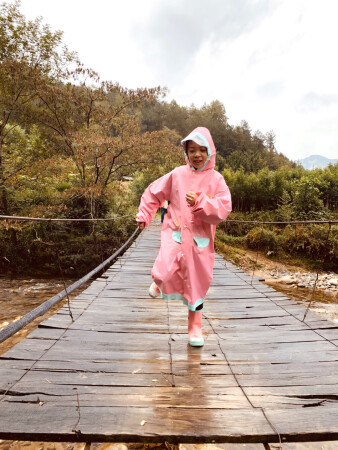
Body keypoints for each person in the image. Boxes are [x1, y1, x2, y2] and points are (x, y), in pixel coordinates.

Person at [136, 127, 232, 347]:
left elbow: (224, 209)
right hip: (175, 231)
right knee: (167, 266)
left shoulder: (216, 180)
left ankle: (195, 328)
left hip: (200, 239)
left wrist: (201, 202)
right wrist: (144, 215)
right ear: (186, 152)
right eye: (192, 150)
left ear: (210, 152)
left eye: (201, 150)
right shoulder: (177, 174)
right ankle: (159, 281)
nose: (196, 155)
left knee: (197, 284)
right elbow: (154, 192)